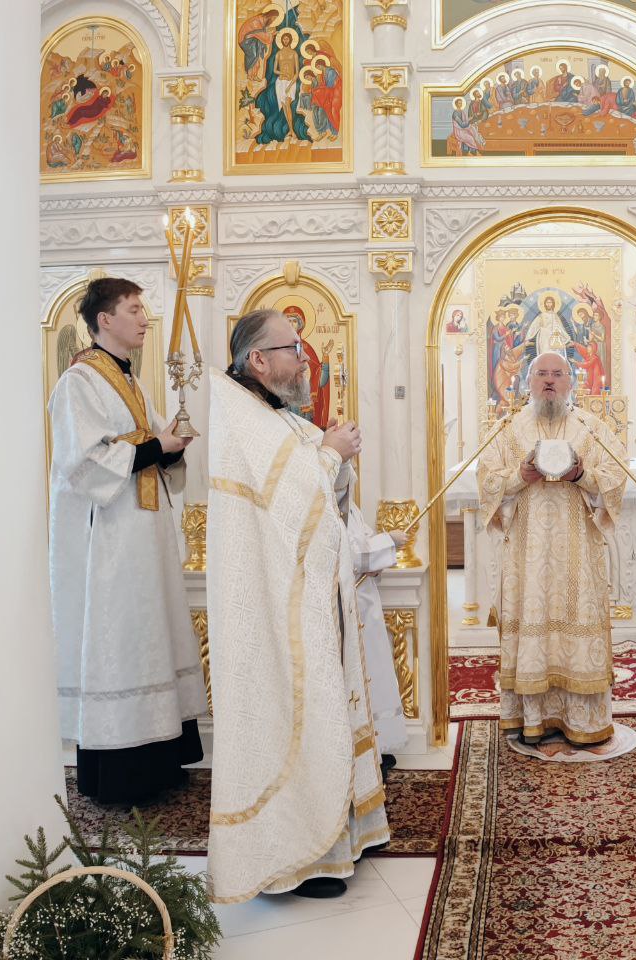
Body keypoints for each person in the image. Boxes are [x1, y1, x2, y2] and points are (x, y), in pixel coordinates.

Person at [206, 309, 388, 902]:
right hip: (272, 609)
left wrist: (336, 460)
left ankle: (344, 829)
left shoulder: (274, 415)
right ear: (258, 359)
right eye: (293, 349)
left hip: (304, 593)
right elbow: (292, 506)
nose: (305, 359)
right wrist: (330, 453)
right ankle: (297, 857)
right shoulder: (242, 419)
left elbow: (317, 498)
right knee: (294, 716)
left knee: (324, 707)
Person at [48, 277, 207, 806]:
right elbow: (84, 461)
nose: (144, 319)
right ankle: (120, 775)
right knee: (120, 641)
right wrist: (157, 446)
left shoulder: (131, 382)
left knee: (150, 635)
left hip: (145, 539)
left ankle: (159, 764)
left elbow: (153, 441)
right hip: (111, 544)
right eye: (134, 309)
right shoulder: (79, 383)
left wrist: (174, 446)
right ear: (104, 320)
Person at [477, 351, 627, 747]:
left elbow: (616, 477)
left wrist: (582, 474)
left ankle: (581, 720)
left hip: (579, 555)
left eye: (557, 374)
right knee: (532, 624)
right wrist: (519, 476)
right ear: (528, 382)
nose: (549, 381)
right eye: (541, 373)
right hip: (527, 558)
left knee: (577, 623)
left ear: (571, 382)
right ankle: (532, 719)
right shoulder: (509, 429)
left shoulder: (592, 429)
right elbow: (487, 479)